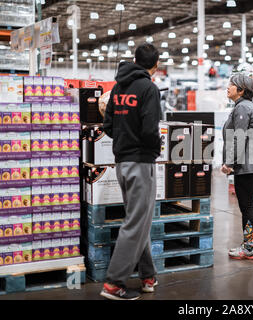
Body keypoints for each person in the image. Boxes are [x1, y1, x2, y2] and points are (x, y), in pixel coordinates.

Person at [101, 43, 162, 300]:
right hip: (141, 163)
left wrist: (123, 142)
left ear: (135, 60)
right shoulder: (149, 88)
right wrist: (154, 149)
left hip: (122, 164)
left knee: (139, 219)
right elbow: (150, 130)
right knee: (136, 222)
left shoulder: (117, 87)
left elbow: (108, 124)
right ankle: (114, 284)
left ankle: (147, 275)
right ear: (155, 67)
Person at [221, 74, 253, 260]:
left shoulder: (243, 108)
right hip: (246, 165)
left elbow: (239, 138)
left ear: (241, 90)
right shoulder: (242, 107)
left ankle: (249, 248)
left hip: (245, 165)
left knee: (247, 206)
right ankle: (248, 245)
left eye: (232, 85)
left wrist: (229, 163)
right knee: (246, 206)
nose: (228, 87)